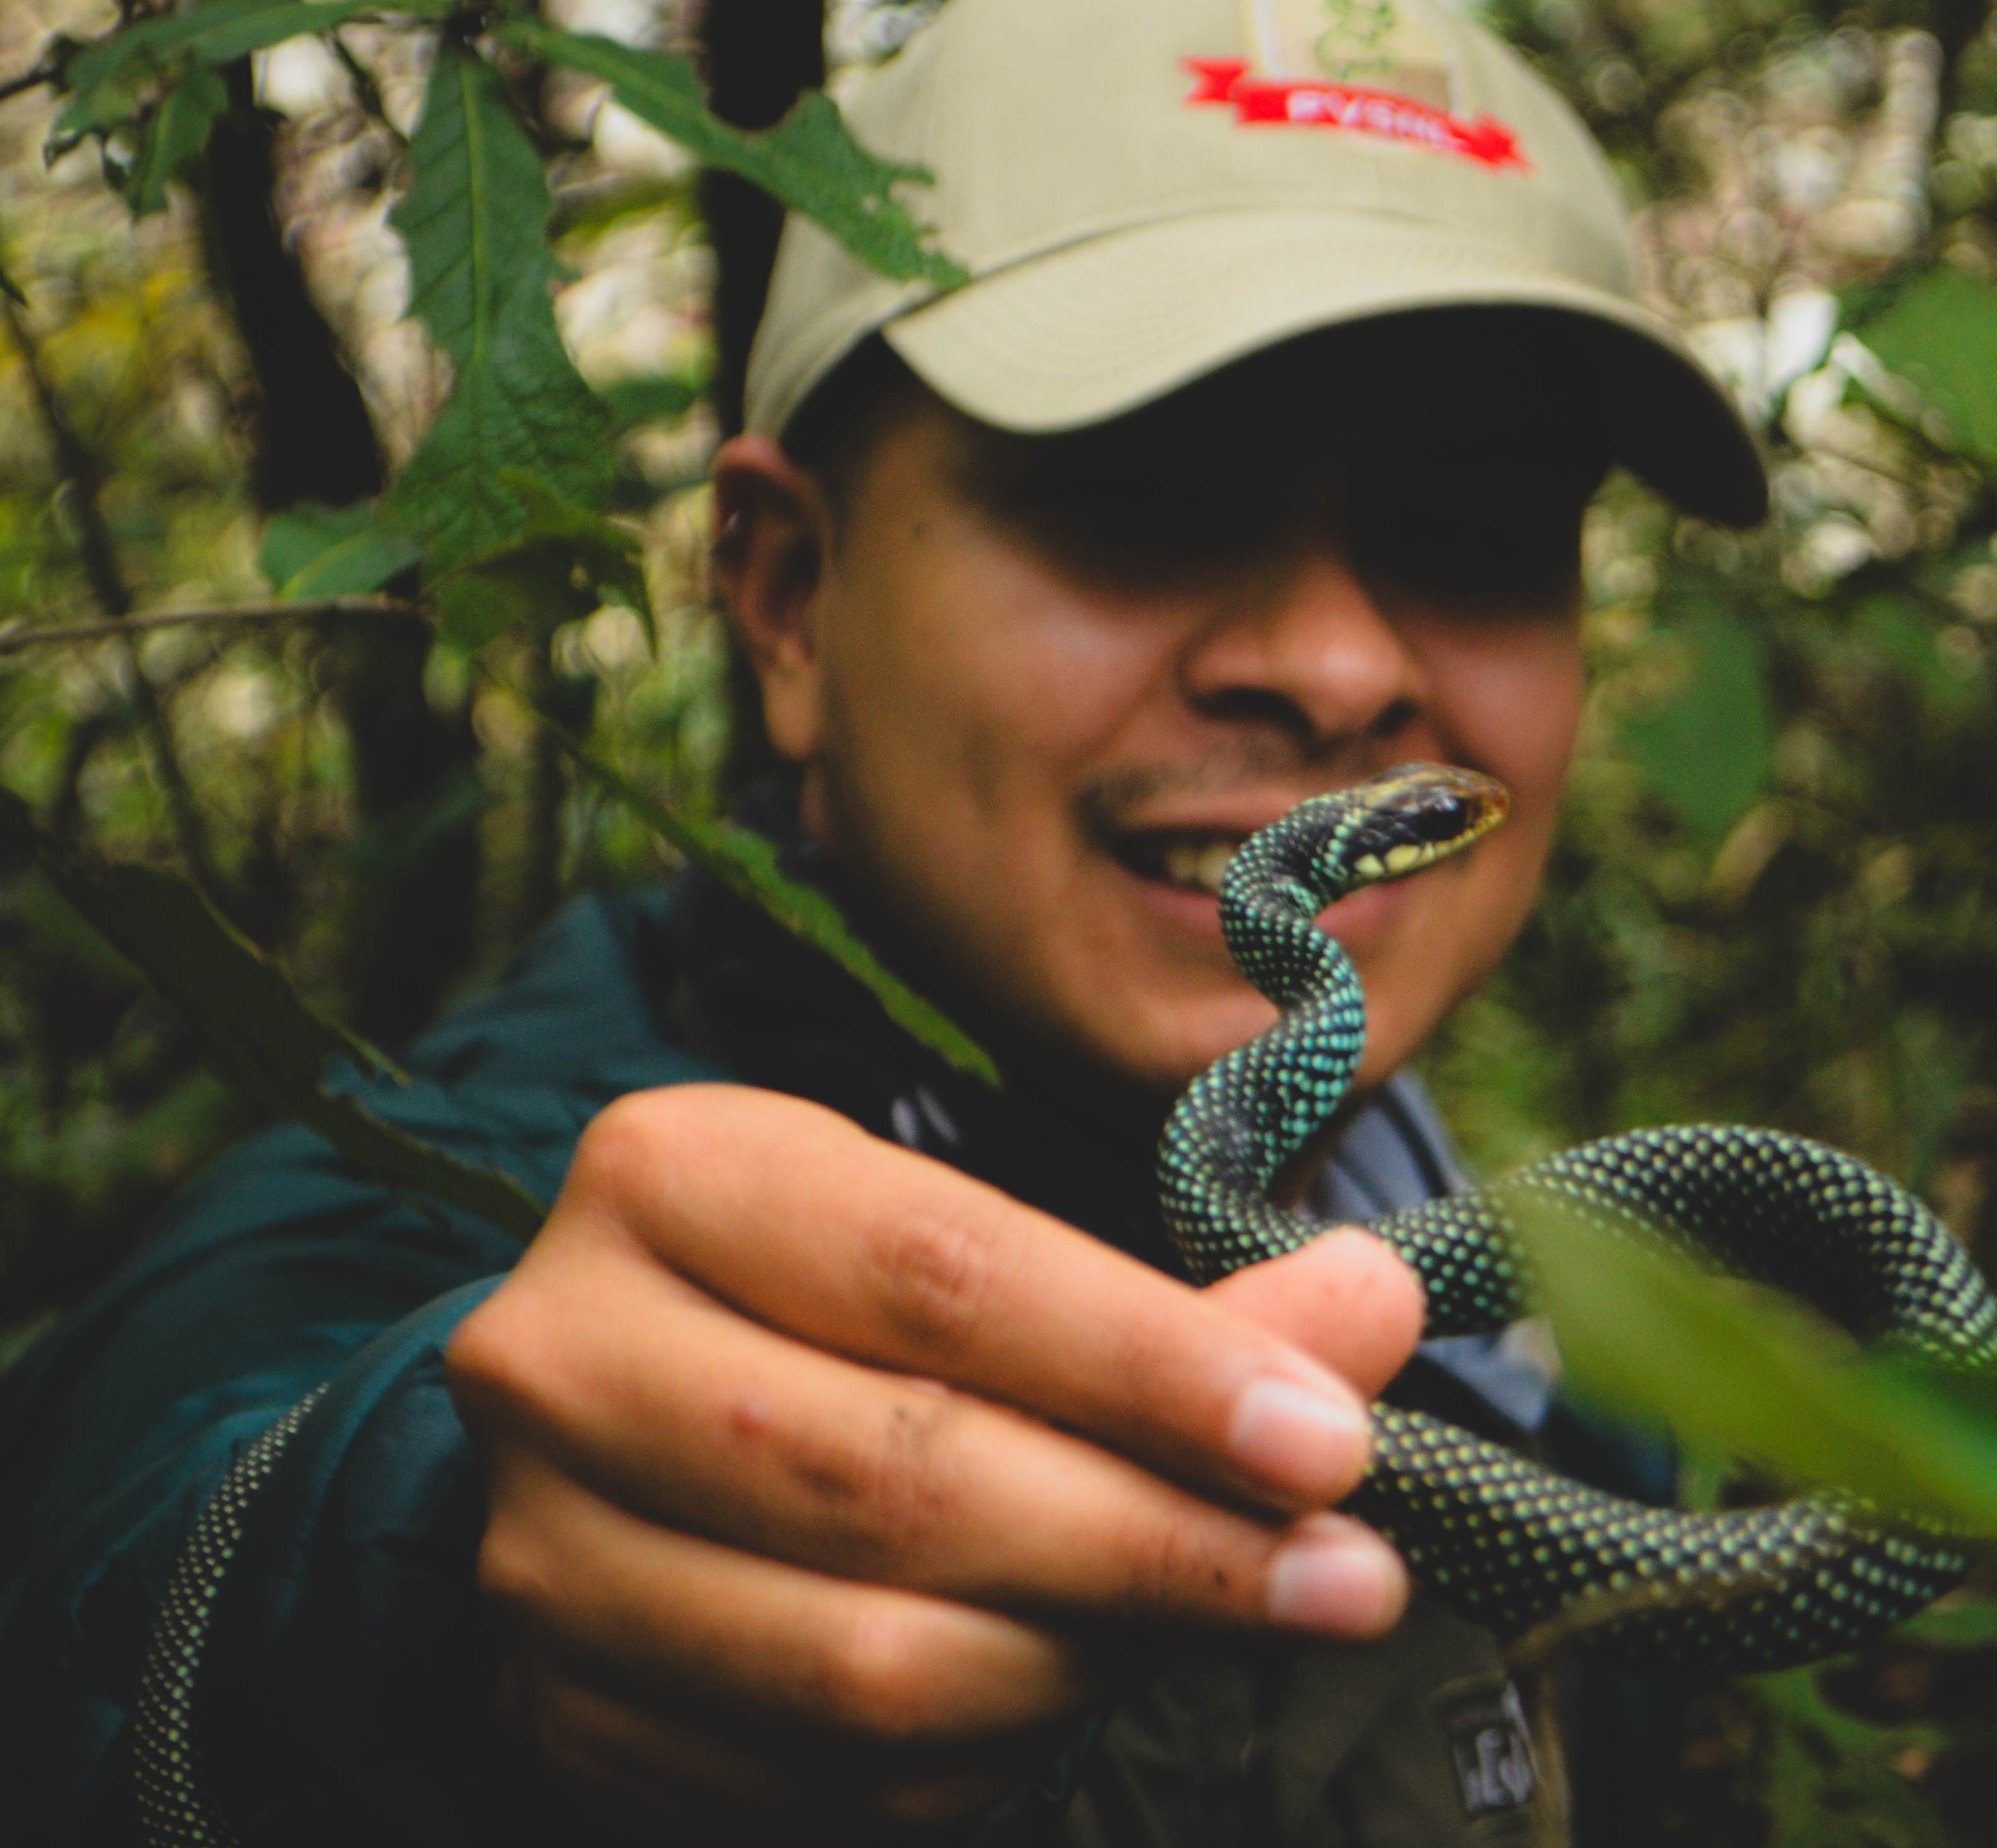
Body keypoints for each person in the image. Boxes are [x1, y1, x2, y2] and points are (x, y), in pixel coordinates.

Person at [0, 0, 1766, 1841]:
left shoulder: (1559, 1356)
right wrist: (423, 1608)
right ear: (781, 597)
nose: (1331, 667)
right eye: (1143, 506)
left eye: (1473, 537)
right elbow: (136, 1579)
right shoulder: (403, 1213)